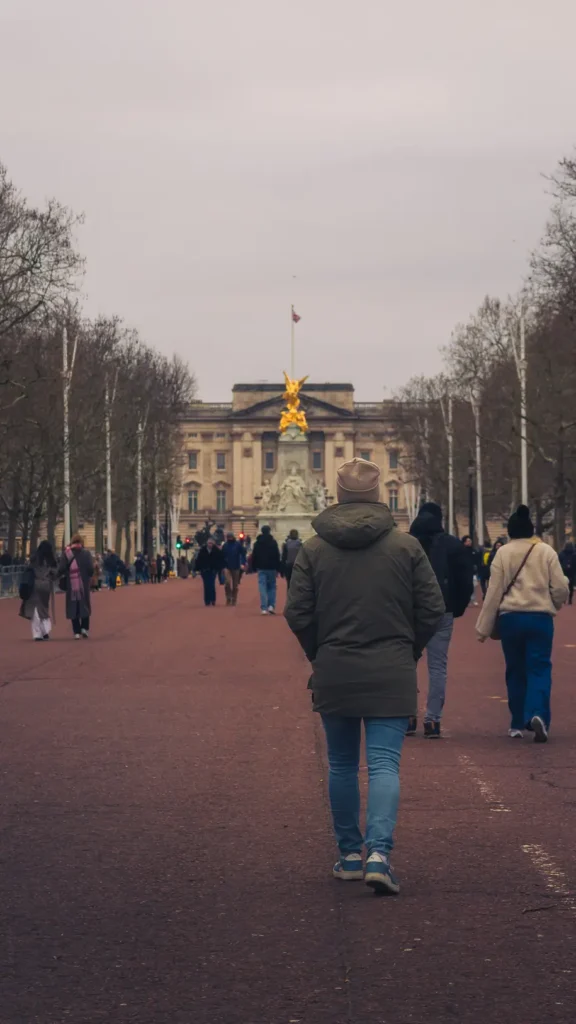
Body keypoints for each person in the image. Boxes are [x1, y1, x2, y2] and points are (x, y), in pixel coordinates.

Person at [285, 458, 444, 893]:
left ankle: (350, 855)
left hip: (334, 666)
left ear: (337, 495)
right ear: (377, 496)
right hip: (391, 667)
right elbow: (432, 609)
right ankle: (379, 855)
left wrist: (321, 652)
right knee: (383, 764)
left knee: (340, 764)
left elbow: (296, 612)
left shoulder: (314, 549)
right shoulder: (406, 547)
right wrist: (406, 651)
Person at [476, 505, 569, 742]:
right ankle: (538, 713)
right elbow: (560, 588)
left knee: (515, 670)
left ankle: (516, 722)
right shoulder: (546, 551)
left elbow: (494, 593)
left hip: (511, 618)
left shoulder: (503, 553)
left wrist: (483, 627)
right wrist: (553, 605)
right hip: (540, 617)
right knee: (539, 668)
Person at [409, 502, 474, 737]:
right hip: (442, 610)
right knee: (437, 666)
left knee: (407, 663)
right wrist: (457, 608)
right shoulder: (453, 545)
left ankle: (408, 716)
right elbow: (465, 581)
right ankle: (433, 720)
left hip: (411, 611)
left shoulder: (406, 544)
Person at [57, 533, 94, 639]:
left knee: (73, 606)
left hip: (71, 584)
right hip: (83, 583)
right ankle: (85, 628)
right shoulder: (86, 553)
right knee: (84, 605)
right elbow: (91, 569)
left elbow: (61, 569)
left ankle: (76, 631)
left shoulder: (66, 553)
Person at [19, 540, 57, 640]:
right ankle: (45, 631)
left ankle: (37, 633)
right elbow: (55, 573)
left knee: (34, 610)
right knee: (43, 609)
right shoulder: (50, 560)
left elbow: (28, 570)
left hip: (34, 585)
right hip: (46, 586)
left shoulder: (34, 559)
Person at [251, 524, 281, 615]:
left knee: (262, 587)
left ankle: (264, 608)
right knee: (272, 587)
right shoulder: (273, 542)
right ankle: (271, 606)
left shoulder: (257, 543)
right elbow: (277, 555)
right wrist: (278, 568)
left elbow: (254, 556)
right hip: (272, 567)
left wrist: (254, 567)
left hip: (261, 567)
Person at [194, 537, 225, 606]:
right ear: (207, 543)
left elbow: (220, 560)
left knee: (212, 585)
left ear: (213, 544)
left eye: (211, 543)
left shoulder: (217, 550)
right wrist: (197, 569)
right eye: (209, 543)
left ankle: (213, 600)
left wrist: (219, 568)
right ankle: (207, 600)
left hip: (213, 570)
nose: (210, 544)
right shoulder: (202, 550)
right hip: (204, 570)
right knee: (206, 585)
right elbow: (198, 560)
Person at [222, 532, 247, 606]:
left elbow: (243, 554)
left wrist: (243, 563)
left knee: (235, 585)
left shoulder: (238, 544)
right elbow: (222, 555)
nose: (229, 538)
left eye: (230, 537)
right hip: (227, 566)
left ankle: (234, 599)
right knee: (227, 583)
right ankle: (228, 597)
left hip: (236, 566)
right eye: (228, 537)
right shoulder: (225, 545)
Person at [461, 536, 480, 606]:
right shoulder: (461, 550)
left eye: (470, 541)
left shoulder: (473, 550)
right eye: (468, 541)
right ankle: (465, 600)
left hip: (472, 571)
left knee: (474, 585)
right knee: (465, 586)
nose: (470, 542)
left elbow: (477, 560)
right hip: (463, 571)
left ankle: (473, 599)